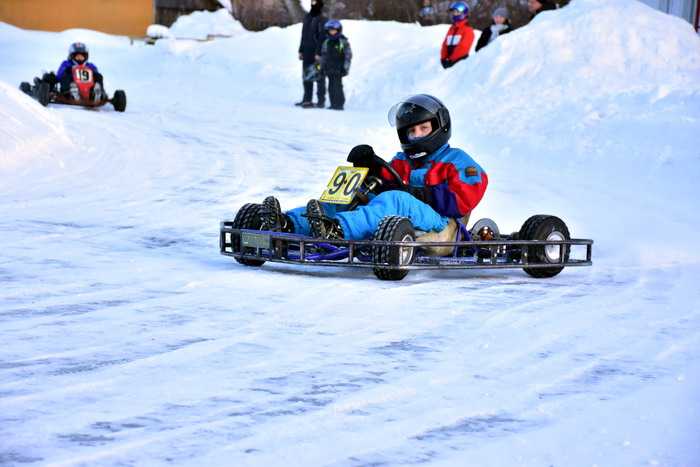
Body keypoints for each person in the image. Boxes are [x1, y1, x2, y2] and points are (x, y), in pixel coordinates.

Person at [258, 94, 488, 243]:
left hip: (442, 227)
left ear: (440, 126)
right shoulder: (402, 161)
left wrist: (414, 194)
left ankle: (337, 230)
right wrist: (367, 169)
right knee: (350, 196)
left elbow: (462, 201)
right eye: (411, 131)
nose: (416, 136)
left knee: (397, 199)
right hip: (400, 223)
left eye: (423, 129)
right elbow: (382, 186)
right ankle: (288, 224)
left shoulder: (457, 160)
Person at [296, 0, 327, 108]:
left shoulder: (323, 20)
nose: (314, 6)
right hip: (307, 52)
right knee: (306, 76)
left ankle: (321, 101)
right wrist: (301, 50)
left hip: (317, 54)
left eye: (316, 5)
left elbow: (322, 37)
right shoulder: (307, 18)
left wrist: (318, 53)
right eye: (312, 4)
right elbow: (303, 35)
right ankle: (307, 99)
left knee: (319, 77)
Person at [319, 19, 352, 111]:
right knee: (330, 86)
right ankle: (333, 103)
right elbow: (323, 55)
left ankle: (339, 104)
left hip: (339, 68)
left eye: (334, 30)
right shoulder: (327, 42)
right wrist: (321, 67)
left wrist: (345, 68)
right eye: (330, 31)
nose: (332, 32)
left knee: (337, 86)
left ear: (338, 30)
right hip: (329, 67)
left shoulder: (342, 42)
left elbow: (348, 55)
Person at [441, 1, 475, 69]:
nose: (454, 14)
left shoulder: (468, 30)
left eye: (457, 12)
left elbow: (463, 47)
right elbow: (445, 44)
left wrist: (452, 60)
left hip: (461, 64)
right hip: (449, 63)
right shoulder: (451, 29)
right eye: (453, 12)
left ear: (463, 13)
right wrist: (443, 58)